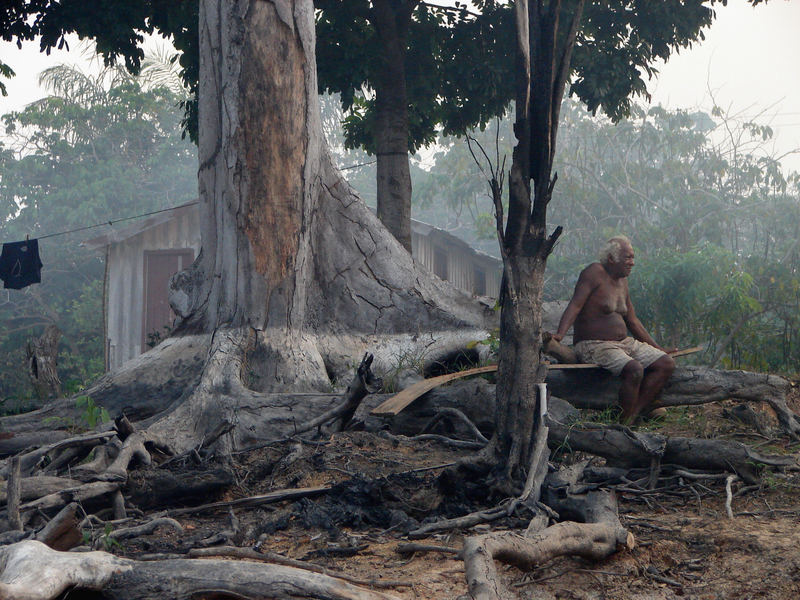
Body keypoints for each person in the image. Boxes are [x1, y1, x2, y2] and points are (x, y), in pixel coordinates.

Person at [552, 235, 675, 424]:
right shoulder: (594, 273)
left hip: (623, 344)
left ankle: (634, 412)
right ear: (611, 258)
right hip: (594, 345)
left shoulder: (622, 281)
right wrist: (560, 334)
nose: (632, 263)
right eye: (627, 257)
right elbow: (575, 306)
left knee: (666, 364)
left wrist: (658, 348)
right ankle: (624, 424)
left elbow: (632, 321)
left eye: (633, 257)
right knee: (634, 369)